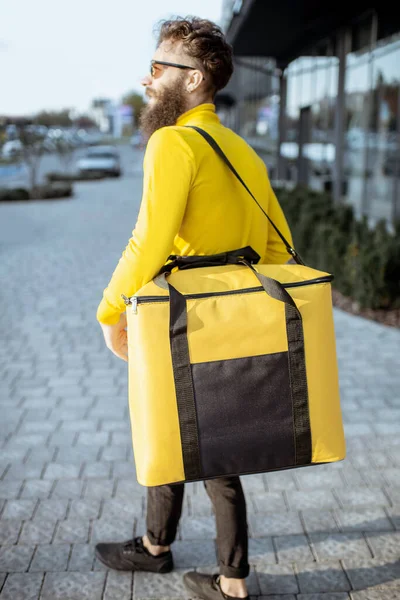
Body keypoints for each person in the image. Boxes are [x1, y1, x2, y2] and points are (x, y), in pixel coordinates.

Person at [95, 16, 294, 600]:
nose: (147, 79)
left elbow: (147, 241)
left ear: (197, 78)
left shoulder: (173, 141)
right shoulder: (241, 150)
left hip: (177, 319)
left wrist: (109, 310)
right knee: (200, 440)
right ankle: (160, 547)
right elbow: (280, 246)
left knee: (185, 437)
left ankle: (229, 582)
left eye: (159, 68)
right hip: (228, 323)